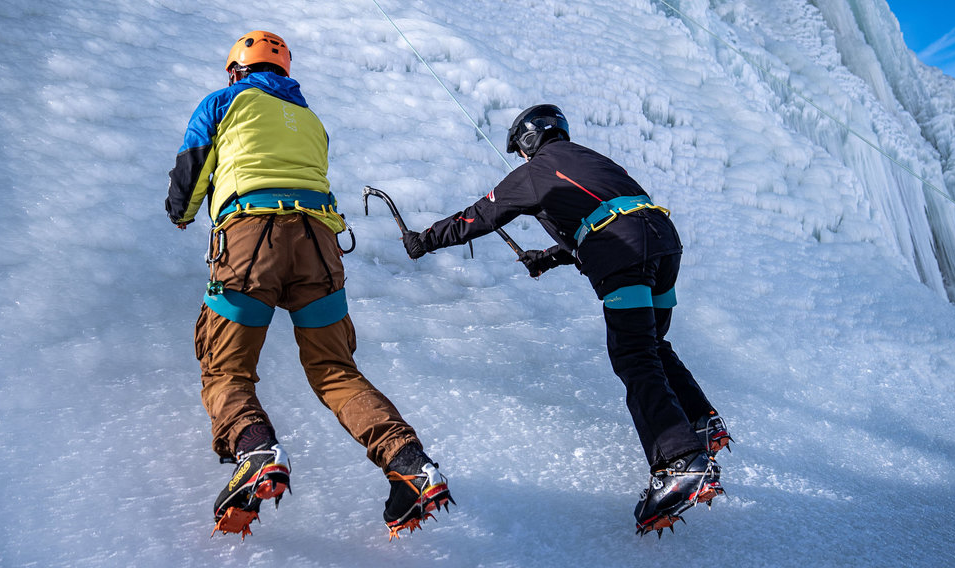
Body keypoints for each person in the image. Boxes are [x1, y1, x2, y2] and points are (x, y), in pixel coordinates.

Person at [166, 30, 451, 540]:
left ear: (237, 69)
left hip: (251, 241)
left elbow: (192, 170)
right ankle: (410, 462)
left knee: (226, 368)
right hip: (319, 246)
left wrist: (180, 213)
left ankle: (256, 450)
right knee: (335, 369)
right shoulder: (311, 120)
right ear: (285, 72)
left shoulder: (223, 101)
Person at [401, 104, 730, 536]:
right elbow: (608, 212)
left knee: (634, 357)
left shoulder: (536, 170)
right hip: (663, 243)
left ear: (528, 141)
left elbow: (479, 216)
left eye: (520, 149)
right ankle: (701, 422)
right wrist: (550, 257)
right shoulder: (591, 159)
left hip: (622, 252)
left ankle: (680, 461)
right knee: (652, 344)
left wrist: (424, 240)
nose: (521, 158)